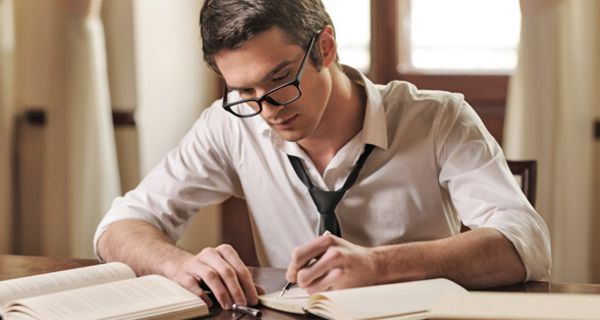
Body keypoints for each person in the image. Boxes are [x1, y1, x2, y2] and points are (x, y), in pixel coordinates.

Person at [94, 0, 551, 311]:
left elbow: (526, 243)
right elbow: (118, 227)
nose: (268, 109)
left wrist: (380, 266)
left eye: (280, 79)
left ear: (326, 47)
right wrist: (178, 264)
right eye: (245, 91)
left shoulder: (438, 118)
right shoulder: (232, 123)